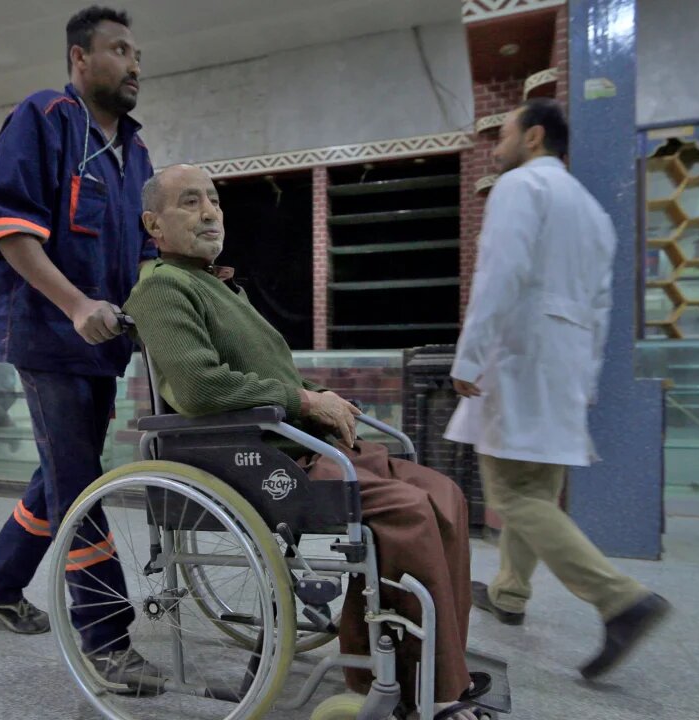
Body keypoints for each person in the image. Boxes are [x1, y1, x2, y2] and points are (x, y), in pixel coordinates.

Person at [124, 164, 481, 720]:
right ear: (154, 225)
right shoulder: (162, 289)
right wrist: (308, 403)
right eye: (190, 202)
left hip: (295, 442)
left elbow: (278, 378)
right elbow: (197, 388)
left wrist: (323, 397)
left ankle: (442, 665)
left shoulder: (221, 289)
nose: (210, 212)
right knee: (408, 511)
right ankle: (424, 691)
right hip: (256, 456)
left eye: (213, 201)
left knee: (444, 493)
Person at [0, 5, 162, 693]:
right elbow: (9, 226)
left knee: (59, 474)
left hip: (101, 346)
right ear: (80, 59)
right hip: (48, 336)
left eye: (137, 53)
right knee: (80, 481)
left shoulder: (136, 153)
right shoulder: (45, 118)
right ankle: (107, 640)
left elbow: (144, 252)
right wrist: (76, 304)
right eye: (119, 50)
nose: (135, 63)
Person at [445, 98, 670, 680]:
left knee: (514, 491)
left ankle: (620, 599)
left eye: (504, 135)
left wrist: (469, 356)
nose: (495, 147)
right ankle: (511, 592)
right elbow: (600, 309)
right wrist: (587, 380)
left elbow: (500, 273)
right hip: (564, 362)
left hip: (521, 353)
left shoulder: (521, 187)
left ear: (535, 138)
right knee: (538, 484)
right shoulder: (592, 211)